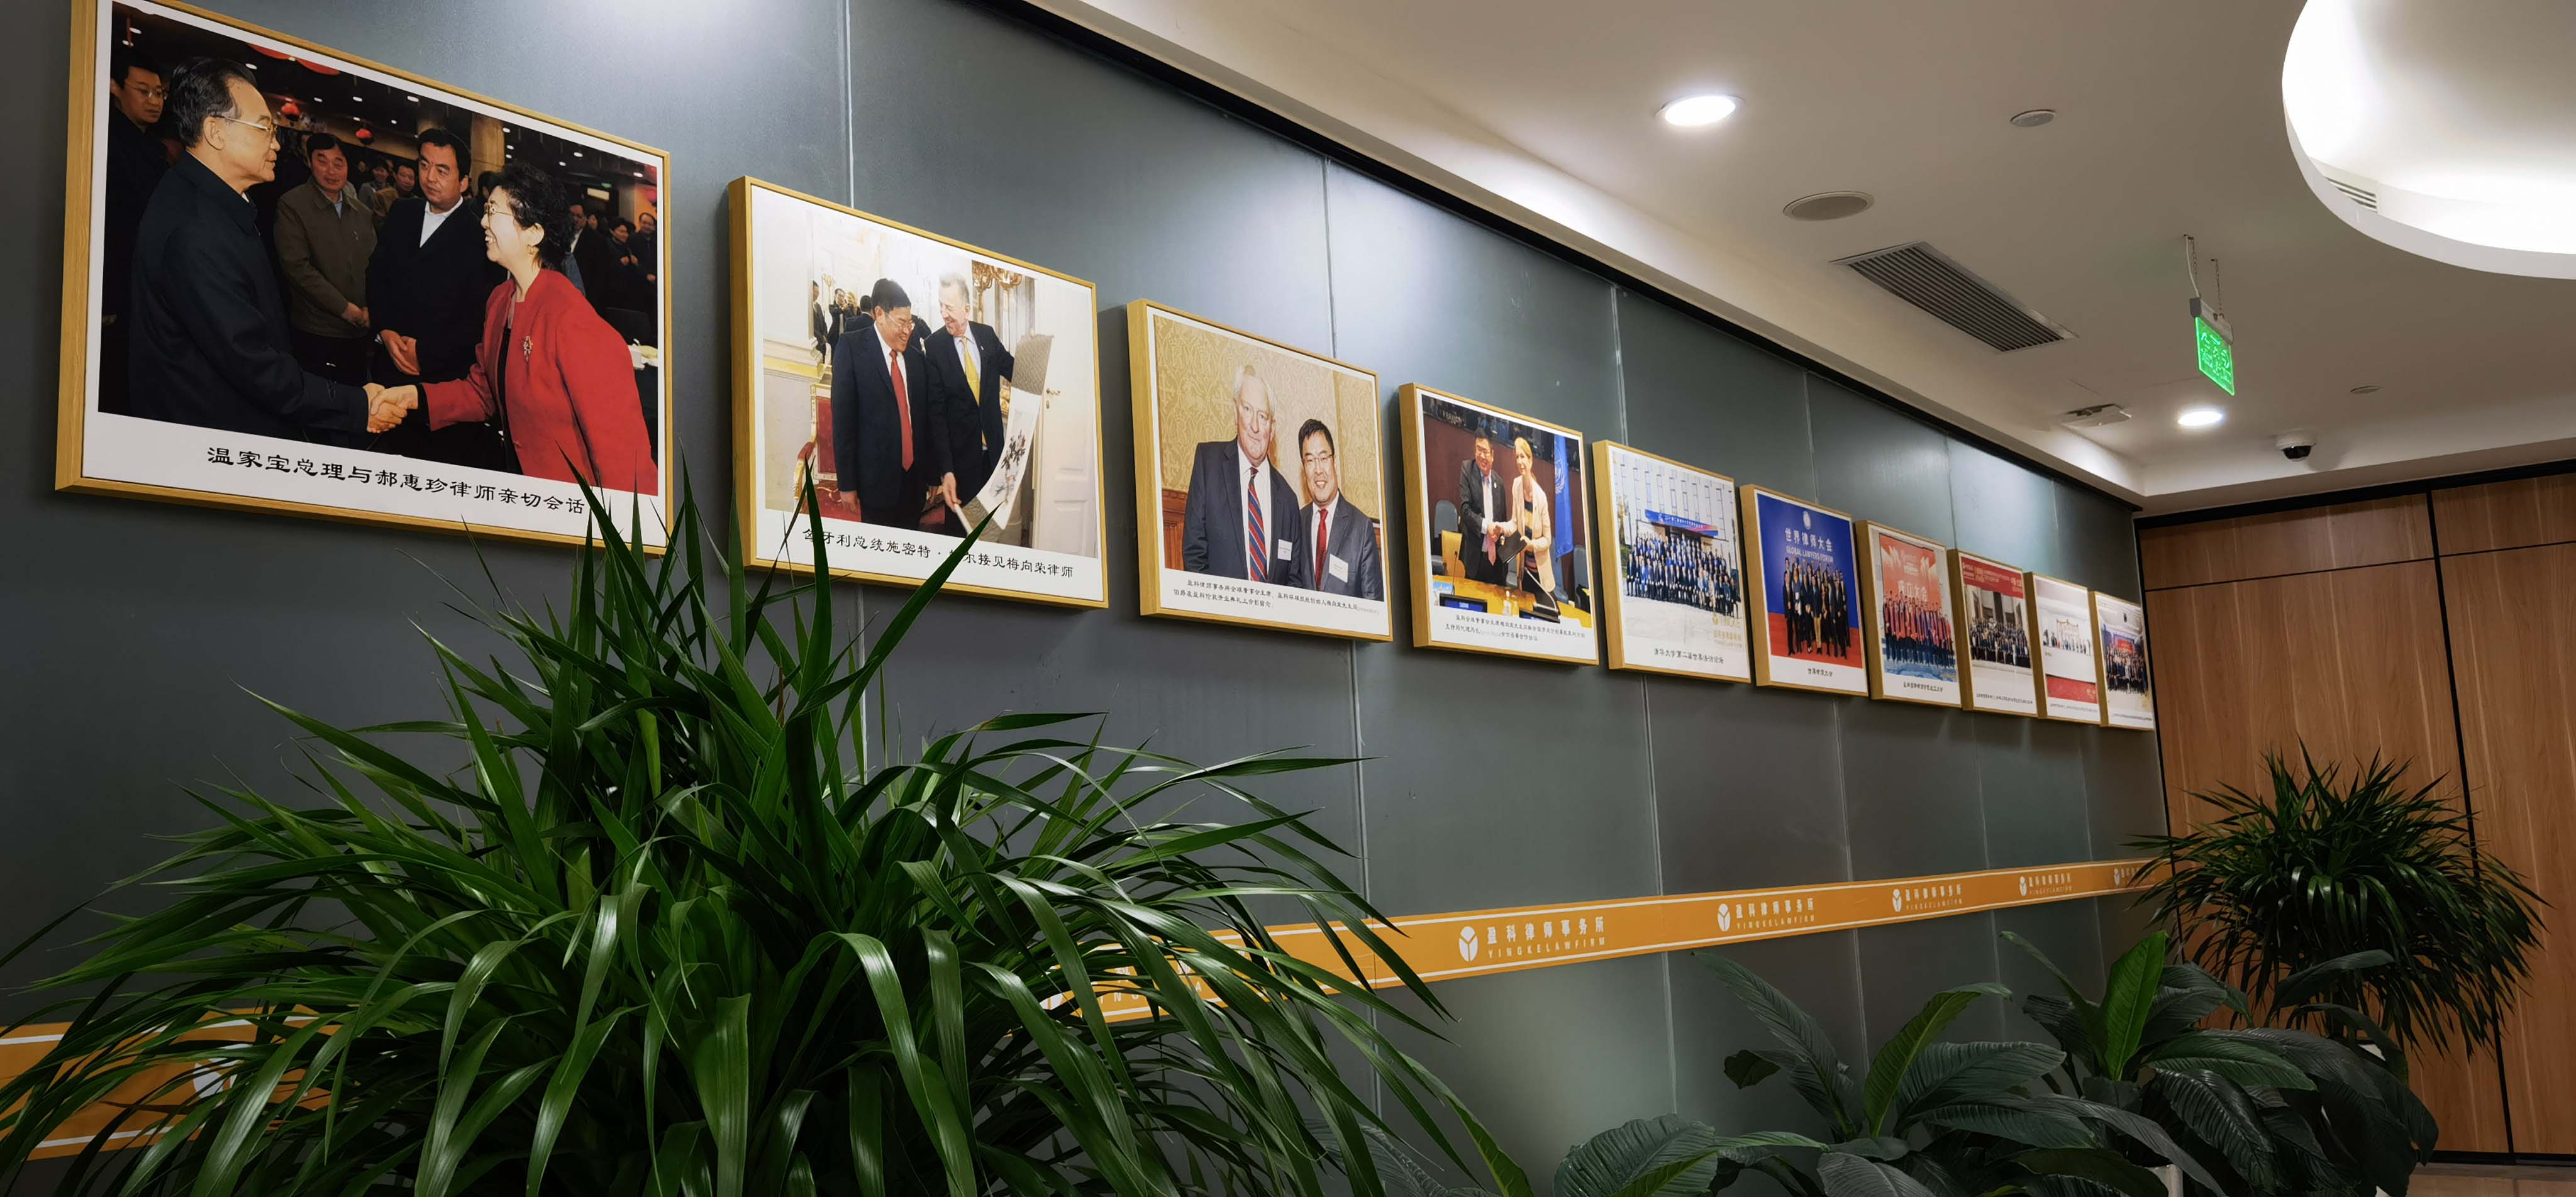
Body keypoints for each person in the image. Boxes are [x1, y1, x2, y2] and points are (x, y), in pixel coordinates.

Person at [128, 57, 408, 444]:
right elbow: (251, 364)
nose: (276, 143)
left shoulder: (211, 202)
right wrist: (357, 407)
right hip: (209, 433)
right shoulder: (196, 230)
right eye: (264, 129)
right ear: (215, 131)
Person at [394, 163, 654, 491]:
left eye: (494, 212)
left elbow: (623, 458)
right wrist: (413, 396)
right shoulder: (500, 300)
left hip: (569, 503)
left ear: (534, 233)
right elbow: (484, 392)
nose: (484, 221)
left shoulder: (571, 319)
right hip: (518, 487)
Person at [366, 126, 506, 468]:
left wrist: (425, 354)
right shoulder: (403, 213)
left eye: (442, 170)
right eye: (424, 165)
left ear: (464, 181)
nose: (430, 177)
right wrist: (385, 330)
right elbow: (376, 275)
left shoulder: (481, 237)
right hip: (387, 363)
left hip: (440, 381)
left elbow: (479, 319)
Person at [828, 279, 952, 529]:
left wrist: (932, 474)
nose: (907, 331)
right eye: (901, 323)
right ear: (879, 314)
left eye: (910, 323)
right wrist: (847, 484)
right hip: (875, 483)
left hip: (914, 483)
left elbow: (924, 421)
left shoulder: (917, 360)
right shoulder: (852, 349)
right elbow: (843, 422)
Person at [1180, 365, 1304, 585]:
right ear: (1235, 411)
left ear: (1272, 428)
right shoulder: (1208, 464)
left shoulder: (1288, 499)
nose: (1255, 426)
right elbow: (1194, 555)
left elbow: (1294, 580)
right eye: (1247, 409)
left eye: (1263, 416)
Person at [272, 133, 377, 385]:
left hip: (360, 330)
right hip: (317, 330)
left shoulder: (362, 213)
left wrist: (372, 308)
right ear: (309, 162)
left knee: (357, 396)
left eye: (338, 163)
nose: (331, 171)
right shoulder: (292, 205)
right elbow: (297, 268)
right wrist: (345, 309)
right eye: (322, 161)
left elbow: (377, 266)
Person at [99, 45, 168, 416]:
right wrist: (107, 296)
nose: (154, 101)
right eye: (144, 91)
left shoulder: (152, 146)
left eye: (159, 93)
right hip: (116, 289)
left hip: (144, 285)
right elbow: (108, 225)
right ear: (115, 87)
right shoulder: (103, 139)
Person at [921, 272, 1014, 507]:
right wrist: (947, 470)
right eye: (941, 306)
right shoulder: (934, 347)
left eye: (950, 307)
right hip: (960, 464)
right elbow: (937, 415)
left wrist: (1032, 354)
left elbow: (1014, 371)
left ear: (967, 309)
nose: (944, 314)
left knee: (991, 521)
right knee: (962, 526)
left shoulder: (987, 335)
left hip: (993, 456)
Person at [1292, 419, 1380, 600]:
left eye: (1324, 458)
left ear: (1335, 464)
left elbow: (1373, 602)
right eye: (1310, 460)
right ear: (1304, 468)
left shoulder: (1361, 527)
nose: (1318, 470)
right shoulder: (1297, 522)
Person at [1499, 436, 1557, 609]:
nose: (1519, 461)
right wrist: (1500, 527)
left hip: (1540, 574)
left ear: (1531, 460)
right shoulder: (1516, 485)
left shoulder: (1541, 497)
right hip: (1524, 572)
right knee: (1525, 613)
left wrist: (1531, 545)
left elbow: (1547, 540)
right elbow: (1514, 524)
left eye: (1523, 456)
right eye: (1517, 457)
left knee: (1547, 614)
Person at [1455, 433, 1508, 586]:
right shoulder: (1467, 469)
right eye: (1479, 450)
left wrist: (1499, 531)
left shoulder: (1499, 482)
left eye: (1485, 451)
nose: (1482, 456)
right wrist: (1487, 526)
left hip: (1495, 562)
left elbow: (1503, 518)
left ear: (1493, 455)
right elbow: (1465, 510)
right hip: (1475, 558)